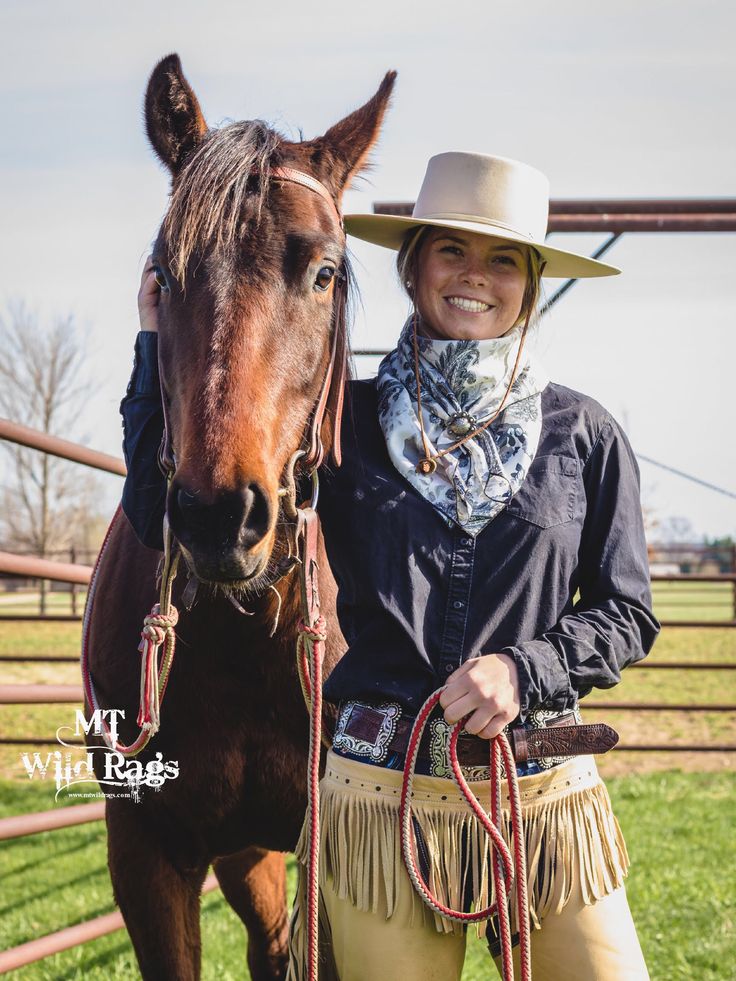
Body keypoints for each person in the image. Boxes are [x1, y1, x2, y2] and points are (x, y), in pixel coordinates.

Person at [120, 151, 659, 980]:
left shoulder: (583, 435)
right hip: (380, 803)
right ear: (412, 269)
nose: (475, 276)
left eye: (504, 258)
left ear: (533, 281)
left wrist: (526, 667)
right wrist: (152, 344)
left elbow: (627, 611)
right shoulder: (348, 424)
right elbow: (176, 503)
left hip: (541, 795)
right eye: (451, 251)